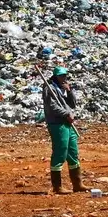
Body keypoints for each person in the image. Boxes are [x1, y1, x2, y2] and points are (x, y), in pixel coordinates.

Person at [43, 66, 85, 194]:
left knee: (73, 153)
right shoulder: (48, 88)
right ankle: (57, 186)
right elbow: (52, 107)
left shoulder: (62, 89)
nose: (64, 78)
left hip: (68, 123)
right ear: (55, 76)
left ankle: (77, 184)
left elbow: (72, 104)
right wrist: (66, 114)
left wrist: (69, 91)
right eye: (61, 76)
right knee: (60, 152)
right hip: (57, 124)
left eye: (65, 76)